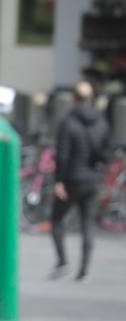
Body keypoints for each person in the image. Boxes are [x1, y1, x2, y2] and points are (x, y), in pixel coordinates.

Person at [51, 79, 110, 280]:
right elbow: (106, 152)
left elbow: (62, 154)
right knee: (87, 224)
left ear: (75, 98)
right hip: (93, 180)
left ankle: (62, 262)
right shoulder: (101, 122)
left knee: (57, 219)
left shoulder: (68, 122)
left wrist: (59, 181)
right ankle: (84, 270)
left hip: (71, 179)